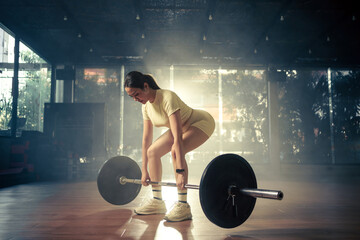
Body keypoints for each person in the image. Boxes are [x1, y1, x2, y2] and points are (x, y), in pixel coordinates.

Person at [124, 71, 215, 222]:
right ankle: (157, 202)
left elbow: (177, 137)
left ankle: (183, 205)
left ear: (146, 86)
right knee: (152, 151)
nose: (135, 99)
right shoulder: (146, 106)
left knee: (175, 150)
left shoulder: (167, 97)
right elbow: (146, 139)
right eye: (131, 96)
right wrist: (144, 171)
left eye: (136, 94)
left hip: (200, 122)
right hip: (180, 129)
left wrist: (180, 171)